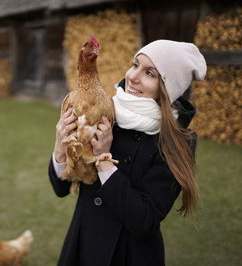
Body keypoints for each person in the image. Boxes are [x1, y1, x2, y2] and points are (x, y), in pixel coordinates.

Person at [48, 39, 207, 266]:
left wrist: (103, 161)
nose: (132, 76)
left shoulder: (178, 143)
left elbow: (143, 219)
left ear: (167, 87)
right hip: (84, 244)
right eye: (135, 64)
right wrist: (59, 147)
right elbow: (61, 187)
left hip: (128, 255)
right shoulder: (106, 111)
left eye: (150, 73)